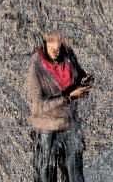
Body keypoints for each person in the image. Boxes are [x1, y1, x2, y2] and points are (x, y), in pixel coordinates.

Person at [25, 33, 91, 180]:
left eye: (59, 48)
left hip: (69, 123)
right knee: (47, 172)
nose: (57, 53)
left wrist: (82, 82)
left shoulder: (67, 55)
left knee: (75, 172)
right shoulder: (35, 68)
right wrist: (68, 97)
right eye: (52, 49)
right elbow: (38, 107)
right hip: (46, 128)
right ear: (44, 46)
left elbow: (77, 74)